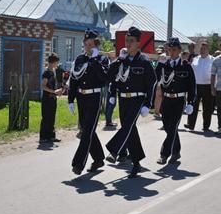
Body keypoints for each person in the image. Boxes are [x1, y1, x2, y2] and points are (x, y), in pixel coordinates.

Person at [105, 27, 157, 178]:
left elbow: (152, 83)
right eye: (126, 40)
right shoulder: (123, 60)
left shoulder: (144, 61)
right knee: (129, 129)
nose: (128, 43)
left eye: (131, 41)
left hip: (137, 99)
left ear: (138, 43)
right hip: (123, 99)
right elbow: (111, 76)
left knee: (127, 126)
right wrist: (118, 60)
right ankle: (136, 163)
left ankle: (114, 151)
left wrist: (148, 103)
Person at [68, 29, 109, 175]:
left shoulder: (102, 59)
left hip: (94, 98)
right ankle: (98, 158)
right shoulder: (79, 59)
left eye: (90, 44)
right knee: (88, 129)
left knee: (86, 132)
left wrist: (94, 61)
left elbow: (104, 78)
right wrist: (70, 99)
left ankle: (78, 164)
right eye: (86, 44)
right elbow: (74, 80)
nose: (87, 47)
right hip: (81, 98)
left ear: (96, 45)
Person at [156, 37, 196, 165]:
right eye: (169, 50)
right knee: (169, 127)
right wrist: (159, 65)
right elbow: (156, 78)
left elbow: (192, 85)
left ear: (179, 50)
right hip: (167, 100)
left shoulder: (186, 66)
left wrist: (190, 102)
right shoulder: (165, 65)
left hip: (179, 101)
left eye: (174, 50)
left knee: (173, 127)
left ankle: (164, 154)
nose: (171, 52)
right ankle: (176, 151)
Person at [185, 42, 214, 131]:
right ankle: (191, 124)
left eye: (204, 49)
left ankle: (206, 126)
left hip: (208, 86)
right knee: (193, 105)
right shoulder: (195, 59)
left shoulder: (213, 59)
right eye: (201, 49)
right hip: (196, 86)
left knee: (207, 108)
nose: (202, 50)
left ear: (208, 50)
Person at [39, 53, 64, 143]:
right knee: (46, 118)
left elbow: (52, 86)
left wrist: (58, 91)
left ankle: (51, 136)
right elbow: (43, 86)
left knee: (52, 117)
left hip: (53, 98)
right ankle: (43, 138)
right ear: (52, 62)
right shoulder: (46, 73)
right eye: (57, 62)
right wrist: (54, 92)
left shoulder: (53, 71)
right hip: (46, 99)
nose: (57, 64)